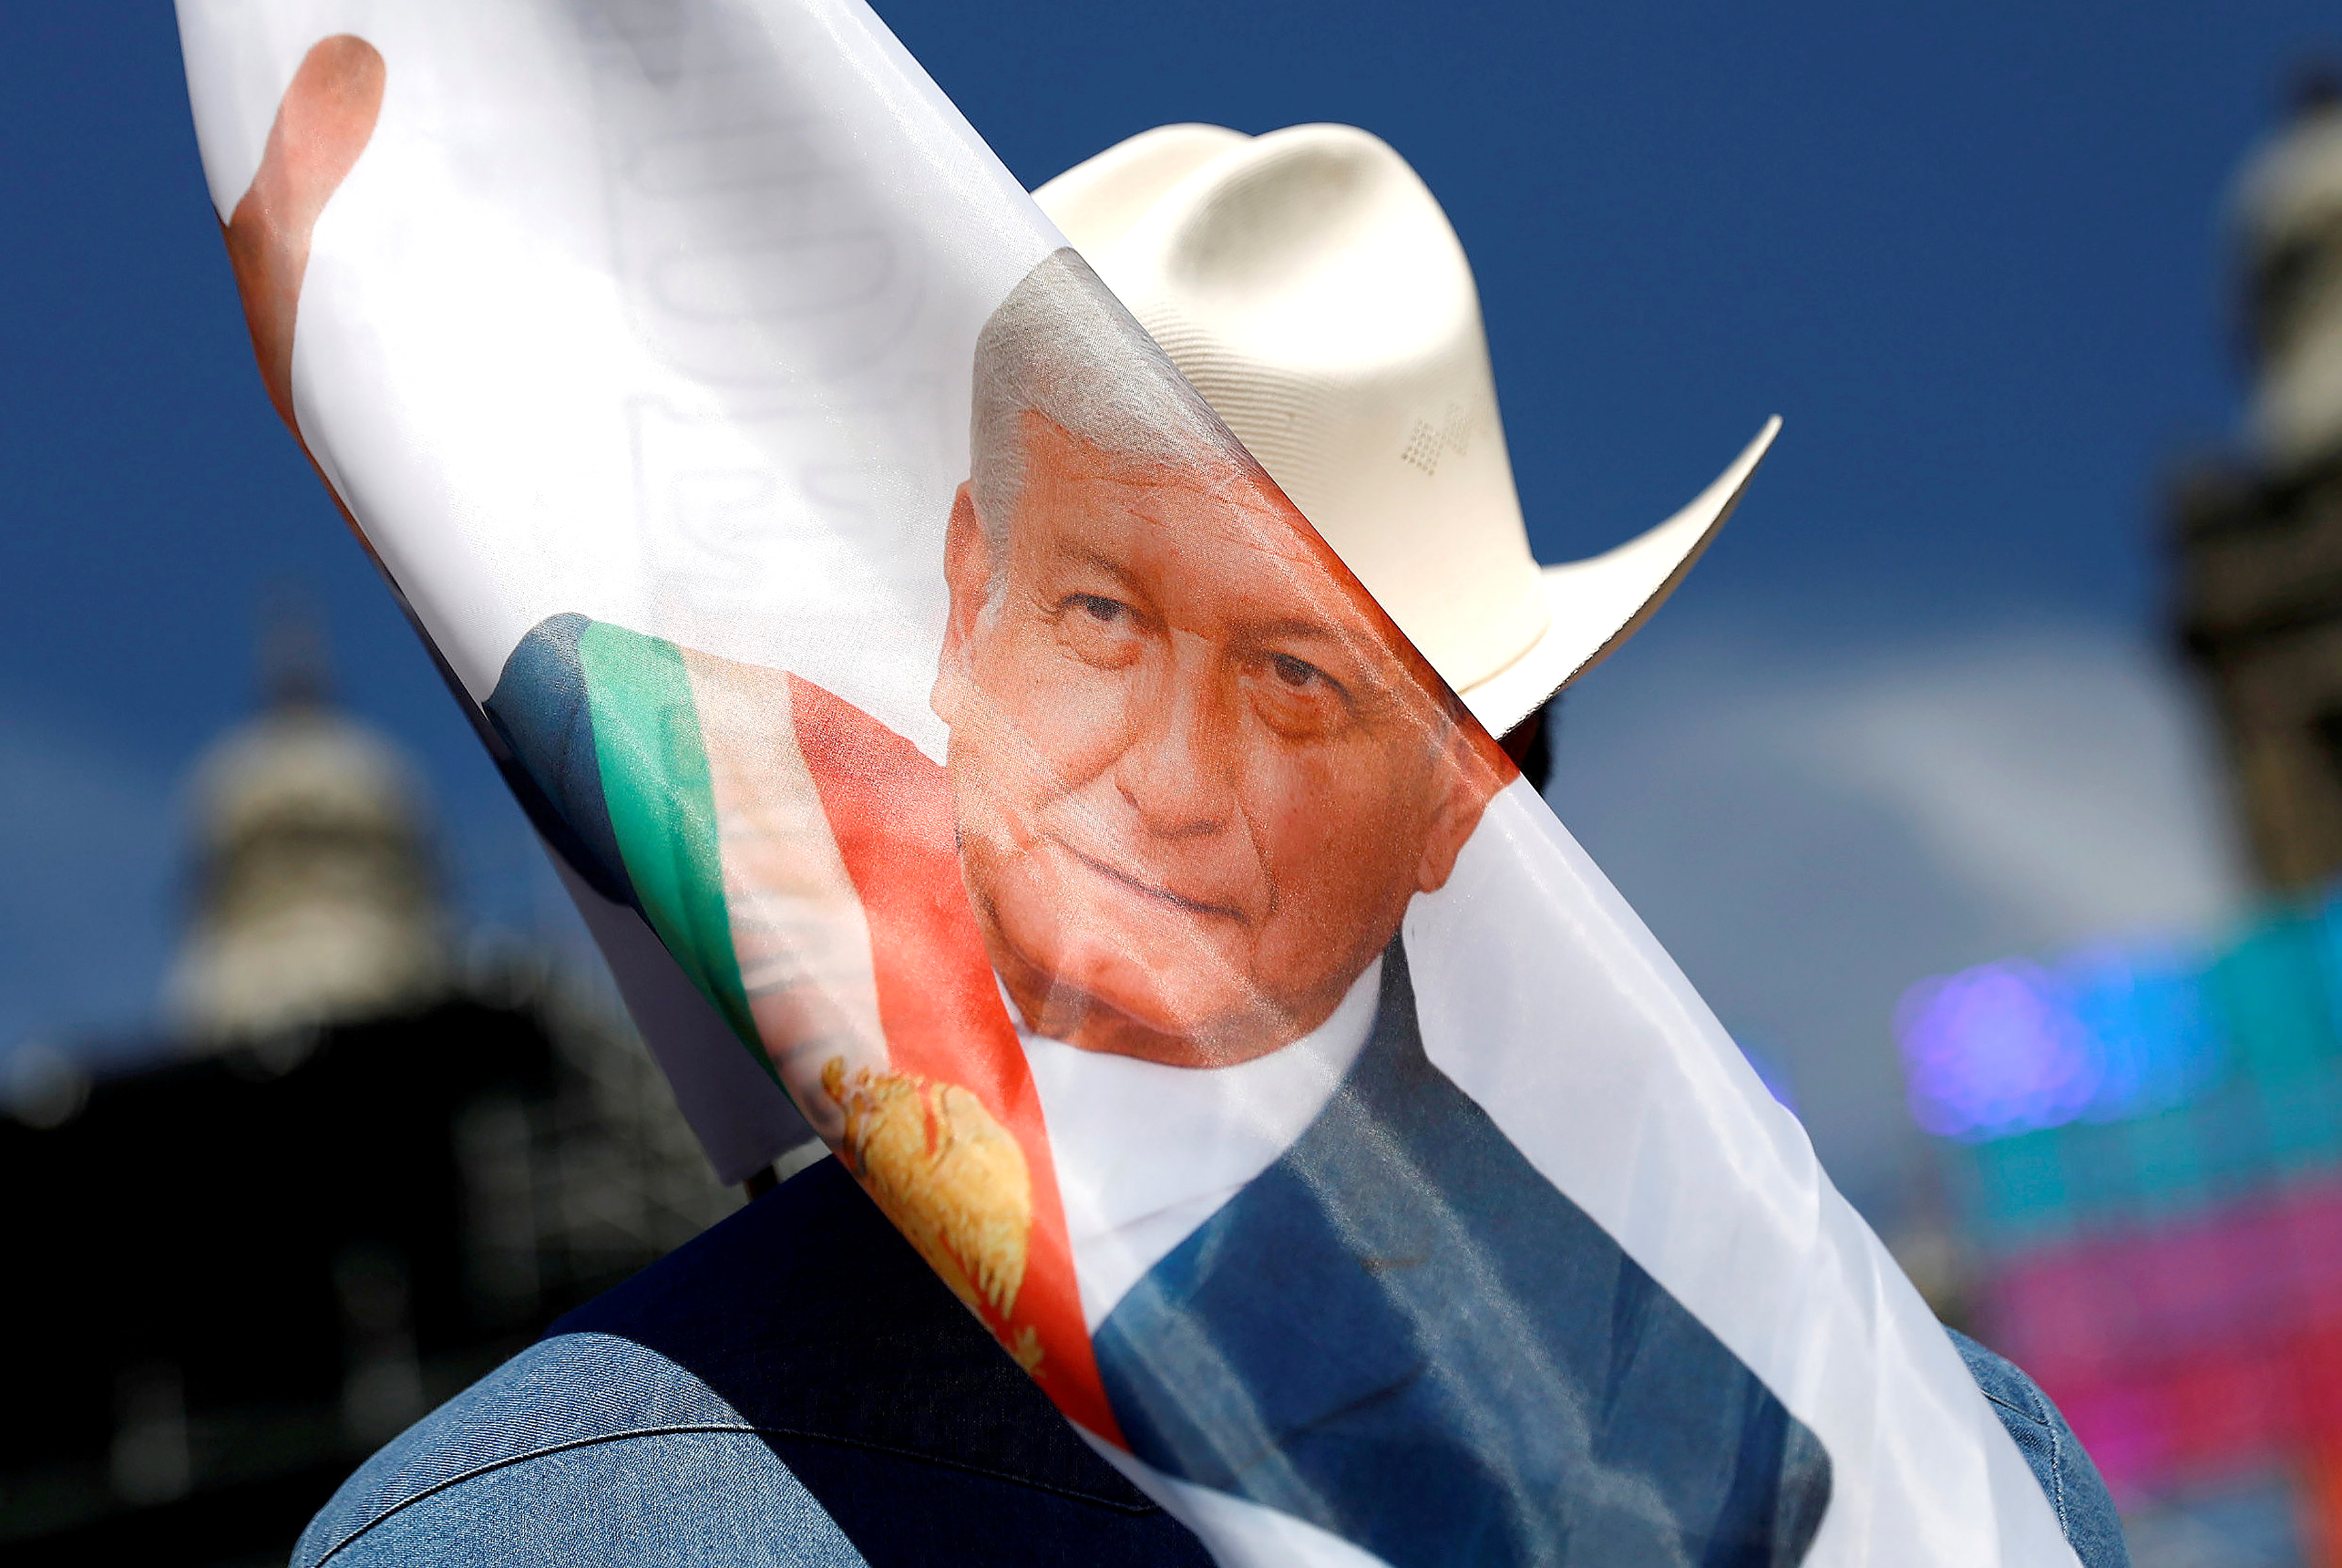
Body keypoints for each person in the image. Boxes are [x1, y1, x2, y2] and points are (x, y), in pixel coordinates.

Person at [222, 62, 2125, 1566]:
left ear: (1460, 813)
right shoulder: (1915, 1472)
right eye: (1104, 620)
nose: (1160, 772)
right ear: (958, 614)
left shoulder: (505, 1521)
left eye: (1296, 679)